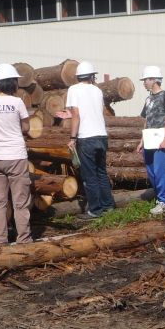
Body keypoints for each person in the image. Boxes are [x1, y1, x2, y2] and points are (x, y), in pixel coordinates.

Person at [0, 64, 33, 246]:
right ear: (12, 82)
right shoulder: (17, 102)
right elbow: (26, 127)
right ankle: (24, 240)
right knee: (20, 202)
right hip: (15, 156)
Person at [66, 61, 115, 219]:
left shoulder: (73, 89)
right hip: (101, 135)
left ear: (78, 76)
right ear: (92, 75)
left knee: (89, 175)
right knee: (101, 172)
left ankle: (95, 209)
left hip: (86, 137)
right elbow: (97, 111)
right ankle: (108, 206)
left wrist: (72, 138)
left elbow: (76, 115)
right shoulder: (97, 90)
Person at [136, 65, 165, 215]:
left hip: (159, 140)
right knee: (151, 171)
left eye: (145, 79)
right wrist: (141, 140)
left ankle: (164, 202)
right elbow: (146, 121)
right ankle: (160, 197)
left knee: (159, 171)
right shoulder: (148, 99)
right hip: (149, 139)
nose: (144, 82)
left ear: (153, 80)